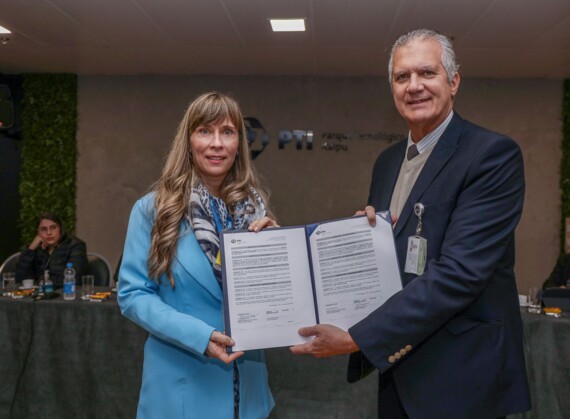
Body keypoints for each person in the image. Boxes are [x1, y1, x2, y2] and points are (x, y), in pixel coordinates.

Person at [290, 29, 531, 418]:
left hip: (463, 376)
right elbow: (399, 259)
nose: (414, 86)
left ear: (453, 82)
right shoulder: (387, 162)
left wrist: (357, 337)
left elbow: (460, 273)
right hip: (401, 367)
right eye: (402, 77)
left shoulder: (491, 155)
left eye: (427, 73)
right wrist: (363, 241)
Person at [117, 92, 277, 419]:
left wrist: (277, 253)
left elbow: (270, 300)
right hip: (182, 390)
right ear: (188, 140)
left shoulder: (255, 207)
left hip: (248, 394)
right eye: (205, 131)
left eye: (227, 132)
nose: (216, 143)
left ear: (239, 143)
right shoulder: (153, 210)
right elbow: (133, 295)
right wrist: (200, 337)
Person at [16, 212, 88, 287]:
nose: (49, 233)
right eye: (43, 229)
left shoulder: (76, 246)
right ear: (38, 232)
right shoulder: (36, 249)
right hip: (38, 295)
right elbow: (20, 279)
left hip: (66, 295)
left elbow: (73, 279)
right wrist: (31, 249)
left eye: (53, 227)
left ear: (60, 229)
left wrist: (40, 283)